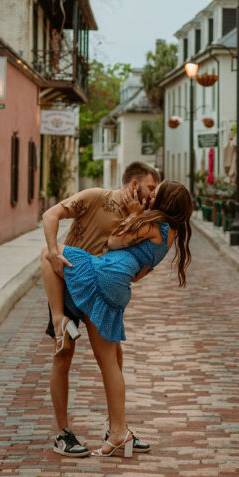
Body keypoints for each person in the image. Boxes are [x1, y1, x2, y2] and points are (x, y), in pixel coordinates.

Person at [41, 180, 192, 458]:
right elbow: (140, 271)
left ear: (164, 203)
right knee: (109, 361)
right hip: (117, 289)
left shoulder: (149, 223)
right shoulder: (170, 233)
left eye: (155, 194)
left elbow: (114, 241)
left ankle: (60, 318)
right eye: (150, 190)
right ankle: (119, 432)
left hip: (96, 276)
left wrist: (135, 214)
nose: (150, 197)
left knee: (50, 253)